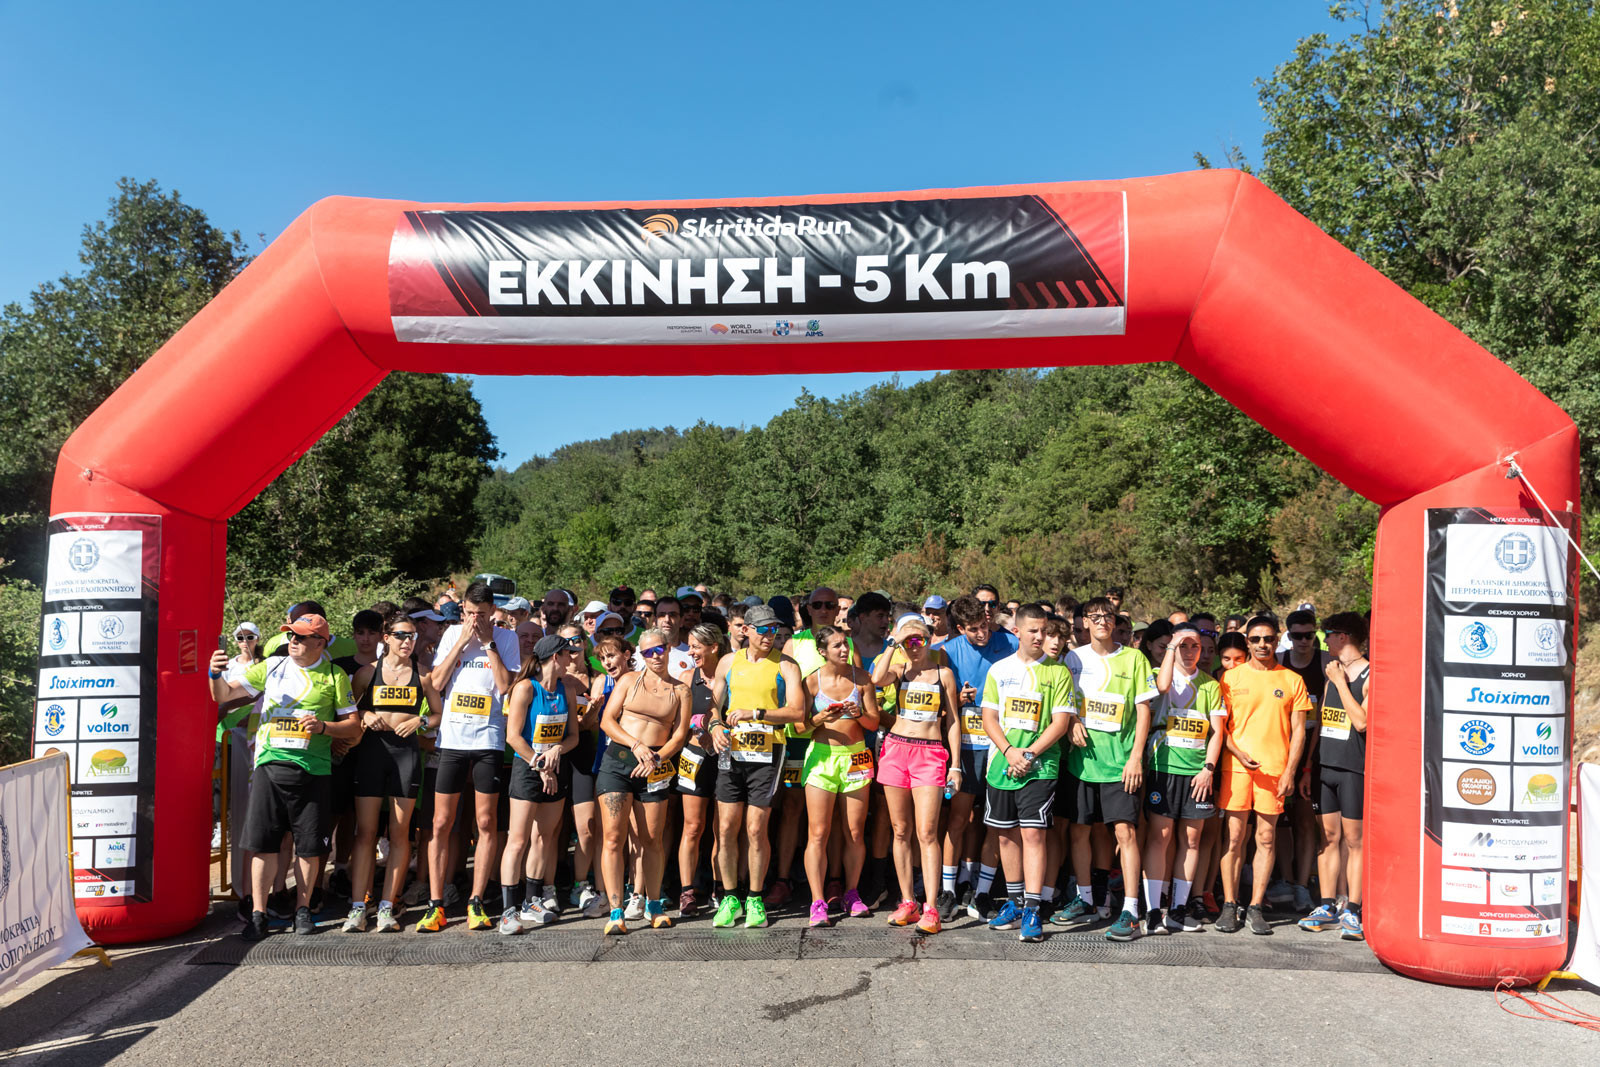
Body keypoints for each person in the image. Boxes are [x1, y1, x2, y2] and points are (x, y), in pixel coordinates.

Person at [209, 614, 360, 941]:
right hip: (270, 766)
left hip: (314, 769)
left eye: (302, 637)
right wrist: (214, 673)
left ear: (320, 643)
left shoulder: (334, 676)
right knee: (263, 845)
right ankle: (259, 914)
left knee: (308, 848)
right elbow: (224, 695)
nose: (293, 640)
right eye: (291, 635)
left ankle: (302, 910)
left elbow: (353, 725)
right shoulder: (273, 667)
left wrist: (324, 728)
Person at [416, 582, 520, 934]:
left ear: (492, 610)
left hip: (488, 740)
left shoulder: (506, 638)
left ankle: (476, 901)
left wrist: (489, 643)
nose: (476, 619)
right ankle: (436, 904)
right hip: (452, 739)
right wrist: (461, 641)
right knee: (441, 823)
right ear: (462, 610)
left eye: (481, 613)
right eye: (470, 613)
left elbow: (505, 686)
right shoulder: (451, 635)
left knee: (486, 822)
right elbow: (437, 682)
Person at [1056, 597, 1157, 941]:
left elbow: (1144, 712)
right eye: (1094, 616)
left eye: (1107, 616)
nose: (1101, 621)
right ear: (1084, 622)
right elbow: (1063, 702)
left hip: (1120, 764)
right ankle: (1084, 898)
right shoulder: (1073, 658)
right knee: (1080, 831)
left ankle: (1130, 909)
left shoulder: (1134, 659)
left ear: (1115, 621)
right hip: (1082, 763)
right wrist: (1070, 723)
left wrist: (1136, 757)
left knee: (1125, 833)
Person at [981, 604, 1079, 943]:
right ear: (1017, 632)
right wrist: (1009, 752)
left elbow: (1061, 722)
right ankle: (1014, 900)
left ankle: (1034, 908)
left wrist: (1029, 754)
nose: (1039, 636)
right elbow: (989, 718)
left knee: (1033, 835)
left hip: (1040, 767)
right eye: (1033, 630)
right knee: (1005, 835)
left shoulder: (1058, 672)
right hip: (1002, 766)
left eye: (1044, 630)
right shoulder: (999, 670)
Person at [343, 611, 441, 933]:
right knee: (365, 832)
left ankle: (388, 906)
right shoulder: (366, 673)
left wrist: (421, 721)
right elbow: (348, 710)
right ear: (386, 638)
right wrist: (365, 714)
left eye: (412, 636)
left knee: (400, 834)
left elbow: (439, 714)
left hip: (406, 754)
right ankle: (358, 906)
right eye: (400, 635)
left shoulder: (423, 675)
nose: (407, 641)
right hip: (372, 753)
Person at [708, 605, 805, 928]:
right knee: (725, 829)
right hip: (731, 752)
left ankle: (754, 898)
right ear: (746, 630)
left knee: (755, 829)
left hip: (767, 752)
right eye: (762, 629)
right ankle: (730, 896)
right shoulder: (728, 662)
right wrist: (715, 727)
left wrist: (757, 713)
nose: (769, 635)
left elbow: (796, 712)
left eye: (773, 629)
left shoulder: (787, 665)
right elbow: (714, 706)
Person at [1215, 615, 1310, 935]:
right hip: (1237, 768)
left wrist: (1291, 772)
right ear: (1247, 642)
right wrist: (1237, 751)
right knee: (1234, 838)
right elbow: (1220, 728)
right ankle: (1230, 904)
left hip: (1274, 771)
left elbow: (1300, 732)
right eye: (1255, 640)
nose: (1262, 645)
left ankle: (1255, 906)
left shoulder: (1292, 680)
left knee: (1266, 838)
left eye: (1268, 639)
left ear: (1277, 639)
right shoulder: (1230, 678)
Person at [596, 627, 692, 934]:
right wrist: (636, 745)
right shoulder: (628, 680)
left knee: (652, 839)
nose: (655, 656)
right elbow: (607, 721)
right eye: (648, 652)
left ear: (667, 649)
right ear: (640, 655)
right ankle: (615, 910)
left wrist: (658, 757)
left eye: (660, 649)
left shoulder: (681, 690)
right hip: (619, 762)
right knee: (614, 837)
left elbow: (679, 734)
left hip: (654, 767)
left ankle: (653, 904)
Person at [870, 617, 961, 933]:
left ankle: (931, 908)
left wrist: (956, 765)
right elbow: (876, 679)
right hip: (896, 749)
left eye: (920, 639)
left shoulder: (943, 673)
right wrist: (892, 642)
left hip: (930, 752)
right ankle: (907, 901)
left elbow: (953, 722)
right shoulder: (898, 669)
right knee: (900, 829)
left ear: (930, 640)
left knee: (927, 831)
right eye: (909, 641)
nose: (914, 646)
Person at [1140, 623, 1226, 934]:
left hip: (1196, 774)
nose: (1190, 652)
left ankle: (1178, 908)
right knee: (1159, 838)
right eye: (1184, 646)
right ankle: (1152, 910)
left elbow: (1218, 732)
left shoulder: (1210, 685)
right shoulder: (1157, 672)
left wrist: (1209, 769)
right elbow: (1162, 688)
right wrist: (1172, 647)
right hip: (1164, 769)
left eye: (1196, 647)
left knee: (1191, 840)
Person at [498, 635, 584, 933]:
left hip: (555, 768)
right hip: (528, 768)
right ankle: (508, 910)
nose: (572, 659)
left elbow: (572, 735)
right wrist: (539, 762)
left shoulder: (567, 690)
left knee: (544, 837)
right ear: (554, 657)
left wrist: (558, 750)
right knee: (518, 839)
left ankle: (531, 901)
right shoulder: (524, 688)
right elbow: (513, 737)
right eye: (567, 654)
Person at [940, 594, 1019, 920]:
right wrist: (957, 698)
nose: (982, 634)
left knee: (995, 824)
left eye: (985, 626)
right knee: (958, 819)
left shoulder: (1009, 642)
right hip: (967, 746)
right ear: (960, 628)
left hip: (1002, 746)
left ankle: (983, 891)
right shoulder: (947, 651)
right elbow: (939, 706)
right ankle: (947, 890)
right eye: (974, 629)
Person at [800, 627, 882, 926]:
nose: (844, 650)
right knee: (818, 833)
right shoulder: (811, 681)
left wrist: (858, 713)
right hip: (822, 757)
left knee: (855, 832)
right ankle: (817, 901)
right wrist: (820, 718)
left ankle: (851, 893)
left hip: (856, 757)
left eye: (845, 645)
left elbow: (874, 723)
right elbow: (798, 728)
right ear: (822, 651)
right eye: (836, 646)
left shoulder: (861, 678)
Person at [1300, 612, 1370, 941]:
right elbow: (1325, 723)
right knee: (1327, 839)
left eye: (1327, 634)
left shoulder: (1370, 674)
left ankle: (1353, 908)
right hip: (1327, 766)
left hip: (1354, 768)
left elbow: (1362, 722)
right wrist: (1310, 766)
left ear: (1343, 636)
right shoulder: (1332, 675)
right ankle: (1327, 904)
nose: (1323, 641)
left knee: (1355, 842)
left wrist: (1342, 683)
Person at [1278, 608, 1328, 914]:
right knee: (1281, 821)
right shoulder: (1280, 663)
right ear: (1288, 636)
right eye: (1297, 636)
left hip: (1316, 749)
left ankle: (1301, 884)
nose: (1303, 641)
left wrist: (1308, 763)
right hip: (1281, 749)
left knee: (1307, 821)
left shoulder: (1324, 663)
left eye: (1309, 635)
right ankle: (1285, 879)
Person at [675, 622, 725, 916]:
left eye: (696, 646)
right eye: (690, 645)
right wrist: (695, 729)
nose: (691, 651)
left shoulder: (729, 673)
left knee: (722, 828)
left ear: (714, 647)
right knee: (692, 827)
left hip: (725, 756)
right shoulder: (686, 677)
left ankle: (721, 887)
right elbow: (676, 723)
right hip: (692, 756)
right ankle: (687, 892)